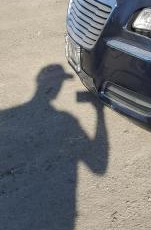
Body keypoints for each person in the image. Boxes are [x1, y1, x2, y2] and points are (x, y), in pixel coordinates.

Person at [0, 64, 109, 230]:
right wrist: (99, 112)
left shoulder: (6, 117)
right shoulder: (67, 120)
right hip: (60, 217)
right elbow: (99, 167)